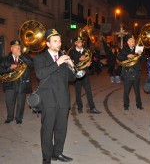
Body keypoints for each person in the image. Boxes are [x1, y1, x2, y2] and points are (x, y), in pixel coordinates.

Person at [33, 29, 76, 164]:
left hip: (63, 99)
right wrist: (58, 63)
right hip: (48, 100)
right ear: (47, 43)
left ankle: (57, 153)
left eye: (60, 40)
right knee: (47, 129)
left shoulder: (64, 57)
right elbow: (40, 74)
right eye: (55, 41)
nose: (59, 43)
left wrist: (71, 66)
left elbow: (72, 78)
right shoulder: (40, 58)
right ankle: (46, 157)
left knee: (61, 129)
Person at [0, 40, 33, 124]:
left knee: (21, 102)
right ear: (11, 48)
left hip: (22, 83)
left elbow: (31, 64)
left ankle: (18, 118)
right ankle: (10, 117)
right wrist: (9, 68)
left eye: (19, 47)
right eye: (15, 47)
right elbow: (1, 70)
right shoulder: (6, 59)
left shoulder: (25, 57)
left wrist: (21, 56)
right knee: (9, 101)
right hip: (9, 84)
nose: (18, 49)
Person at [68, 36, 101, 114]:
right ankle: (80, 107)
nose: (80, 43)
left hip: (85, 73)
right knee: (78, 92)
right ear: (75, 43)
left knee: (89, 91)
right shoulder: (72, 52)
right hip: (77, 74)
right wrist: (78, 59)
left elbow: (90, 60)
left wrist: (89, 64)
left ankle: (92, 108)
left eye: (81, 42)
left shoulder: (86, 51)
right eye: (78, 42)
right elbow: (70, 63)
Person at [117, 35, 146, 110]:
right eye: (132, 41)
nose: (133, 42)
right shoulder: (124, 49)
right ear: (128, 42)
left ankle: (139, 105)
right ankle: (126, 106)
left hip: (136, 73)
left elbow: (144, 59)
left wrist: (140, 54)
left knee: (137, 91)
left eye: (134, 41)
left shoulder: (138, 49)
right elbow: (119, 57)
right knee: (126, 91)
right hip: (127, 73)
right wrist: (127, 56)